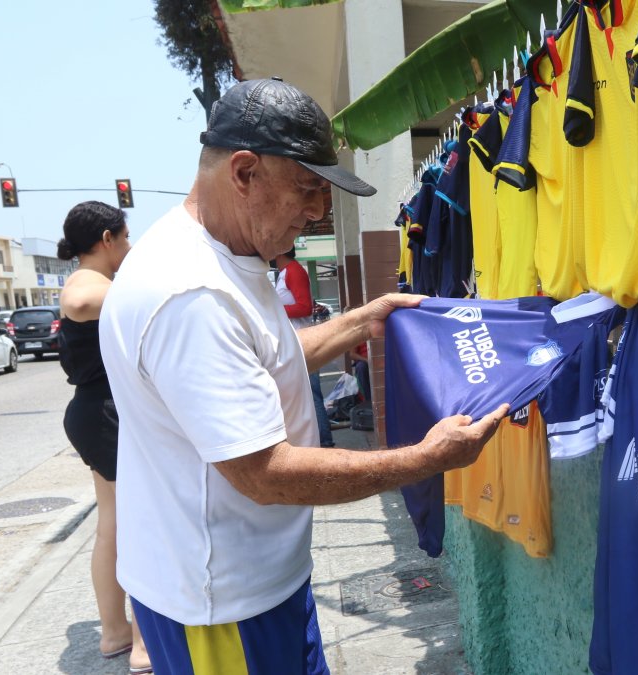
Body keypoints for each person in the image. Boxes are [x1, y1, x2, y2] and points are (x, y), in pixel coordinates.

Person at [98, 77, 508, 675]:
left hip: (261, 583)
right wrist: (426, 458)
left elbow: (262, 356)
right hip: (220, 607)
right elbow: (264, 473)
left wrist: (361, 322)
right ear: (244, 173)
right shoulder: (189, 294)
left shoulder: (228, 251)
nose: (317, 213)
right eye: (308, 190)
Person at [55, 201, 152, 675]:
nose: (129, 246)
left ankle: (115, 632)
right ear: (107, 239)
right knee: (136, 523)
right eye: (126, 237)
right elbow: (76, 303)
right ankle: (140, 641)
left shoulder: (99, 282)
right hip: (105, 415)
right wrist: (139, 295)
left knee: (113, 524)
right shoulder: (90, 283)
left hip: (97, 413)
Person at [274, 246, 334, 447]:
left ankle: (325, 442)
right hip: (295, 341)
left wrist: (273, 309)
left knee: (312, 394)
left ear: (279, 251)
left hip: (302, 341)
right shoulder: (285, 272)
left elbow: (304, 307)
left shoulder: (293, 270)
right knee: (306, 394)